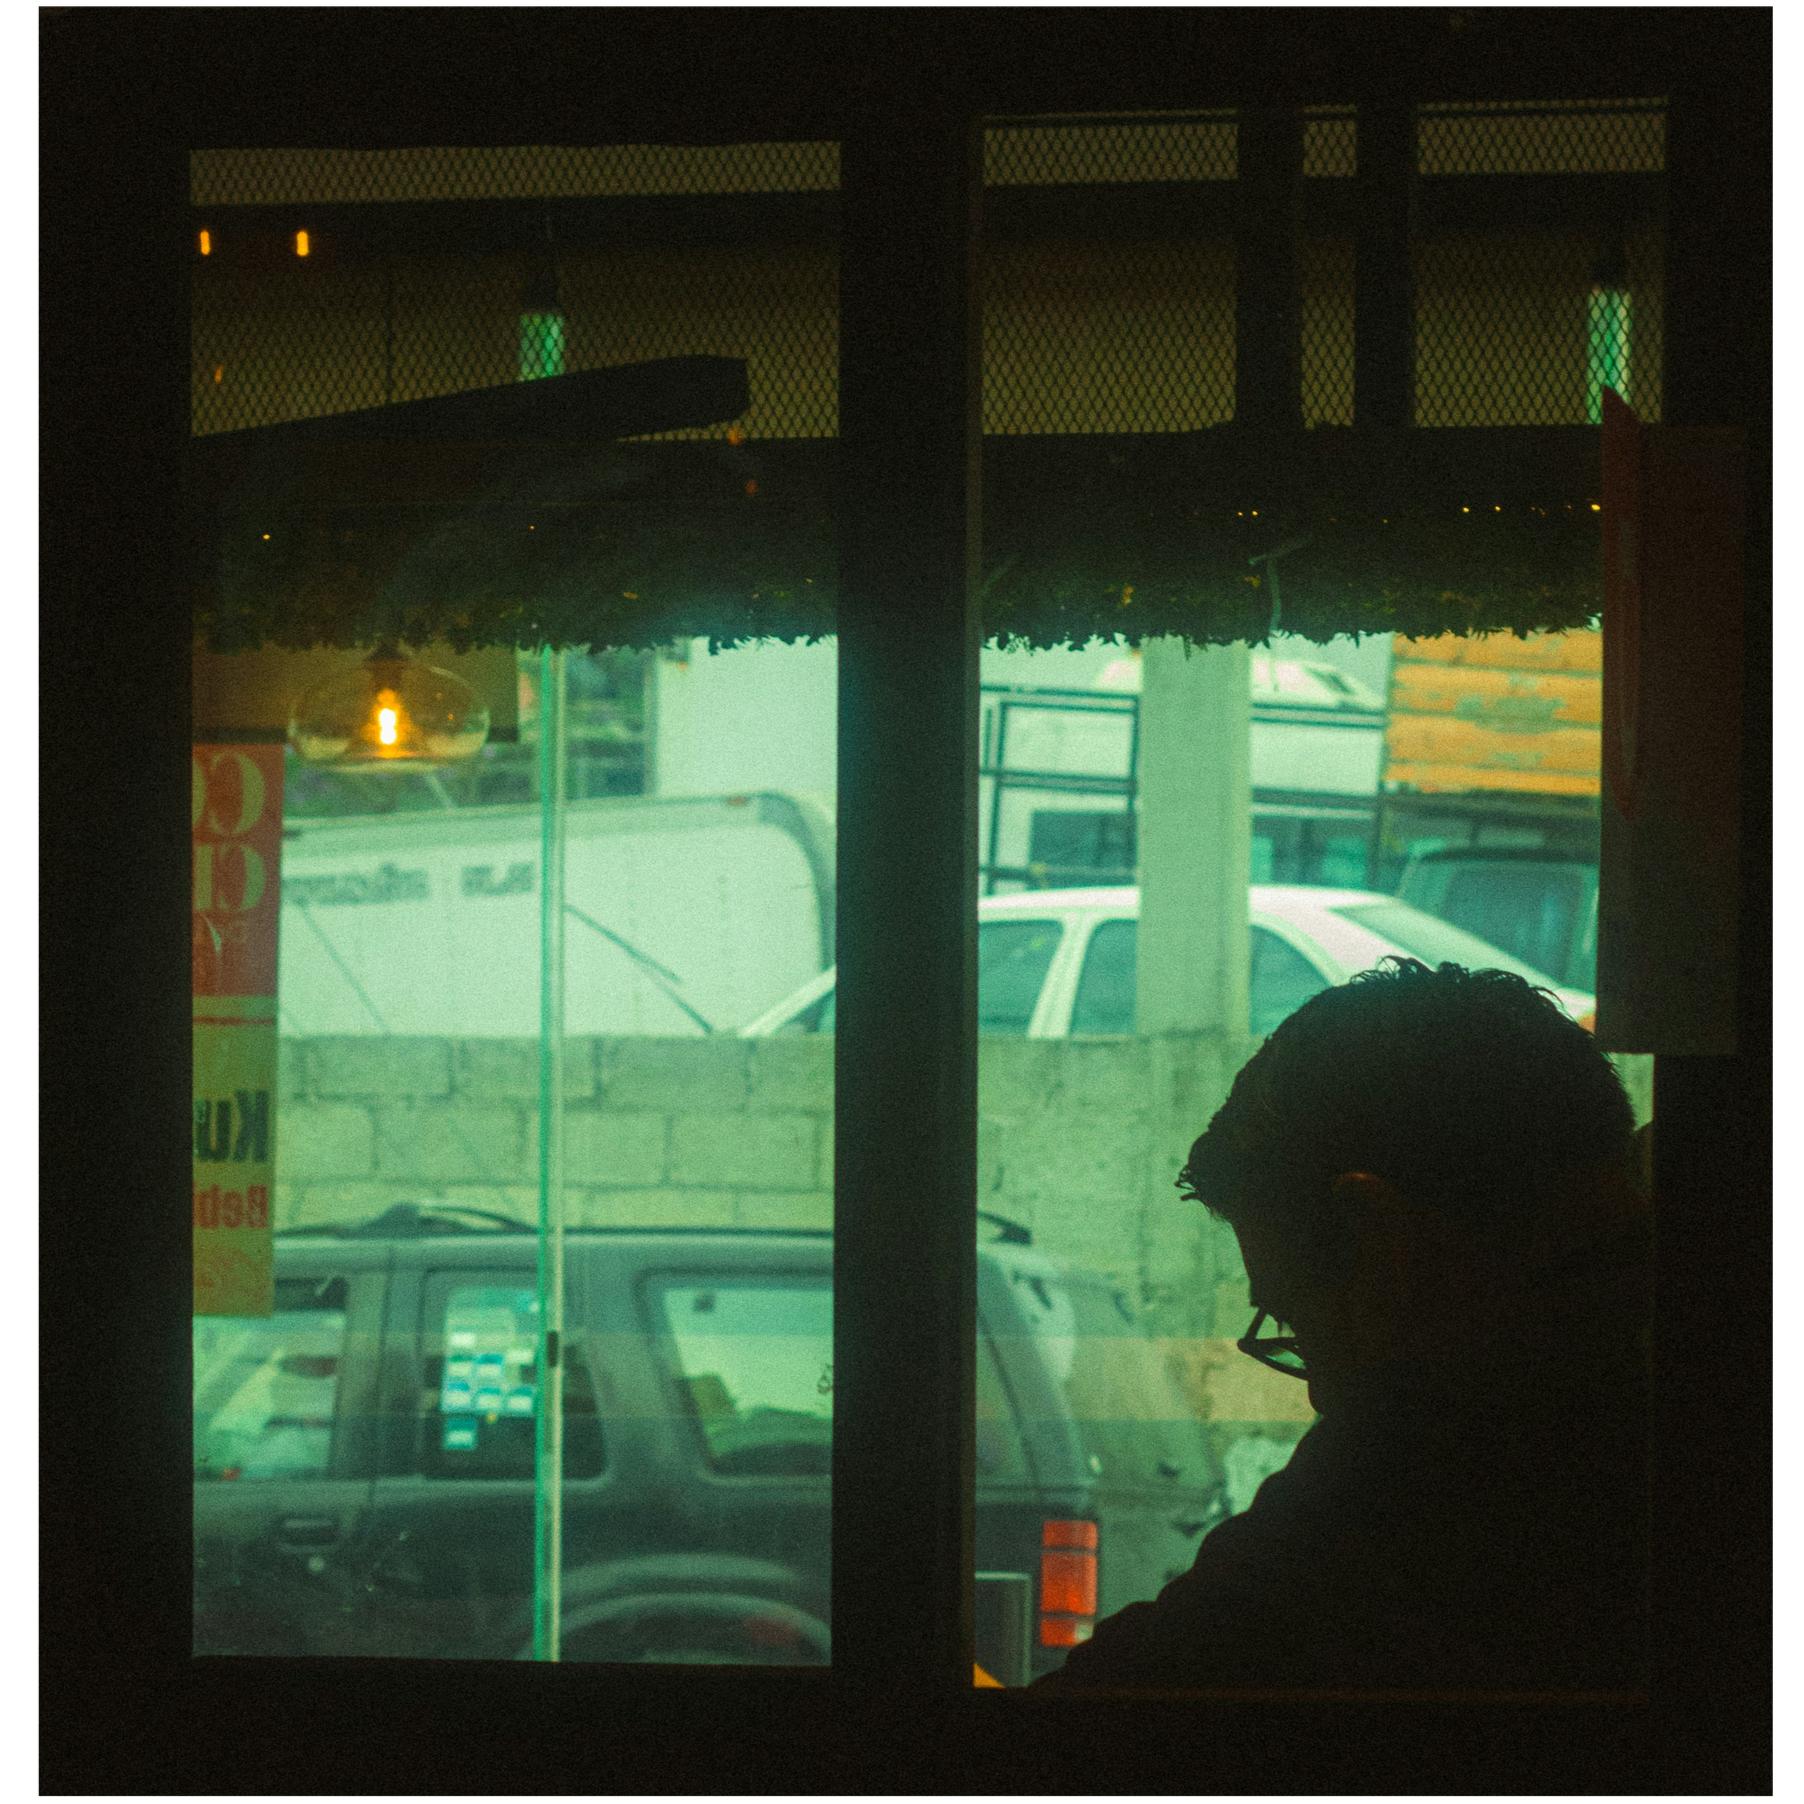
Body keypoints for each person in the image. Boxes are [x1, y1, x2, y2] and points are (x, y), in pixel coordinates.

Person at [1034, 957, 1651, 1694]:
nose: (1319, 1395)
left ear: (1374, 1238)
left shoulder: (1432, 1466)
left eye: (1295, 1319)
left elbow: (1125, 1703)